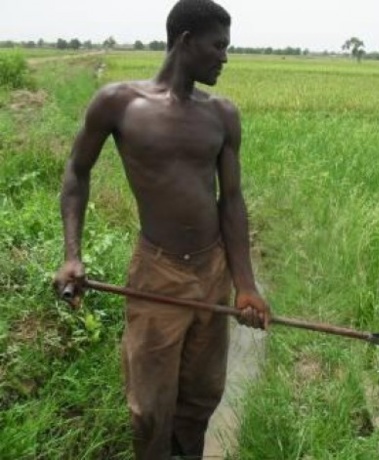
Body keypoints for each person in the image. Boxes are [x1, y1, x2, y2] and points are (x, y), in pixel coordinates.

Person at [53, 0, 270, 458]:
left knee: (201, 396)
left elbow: (230, 201)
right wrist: (72, 254)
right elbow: (77, 172)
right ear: (186, 42)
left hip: (212, 271)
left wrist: (245, 285)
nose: (225, 58)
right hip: (157, 273)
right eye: (219, 46)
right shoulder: (119, 103)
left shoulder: (222, 115)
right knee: (150, 408)